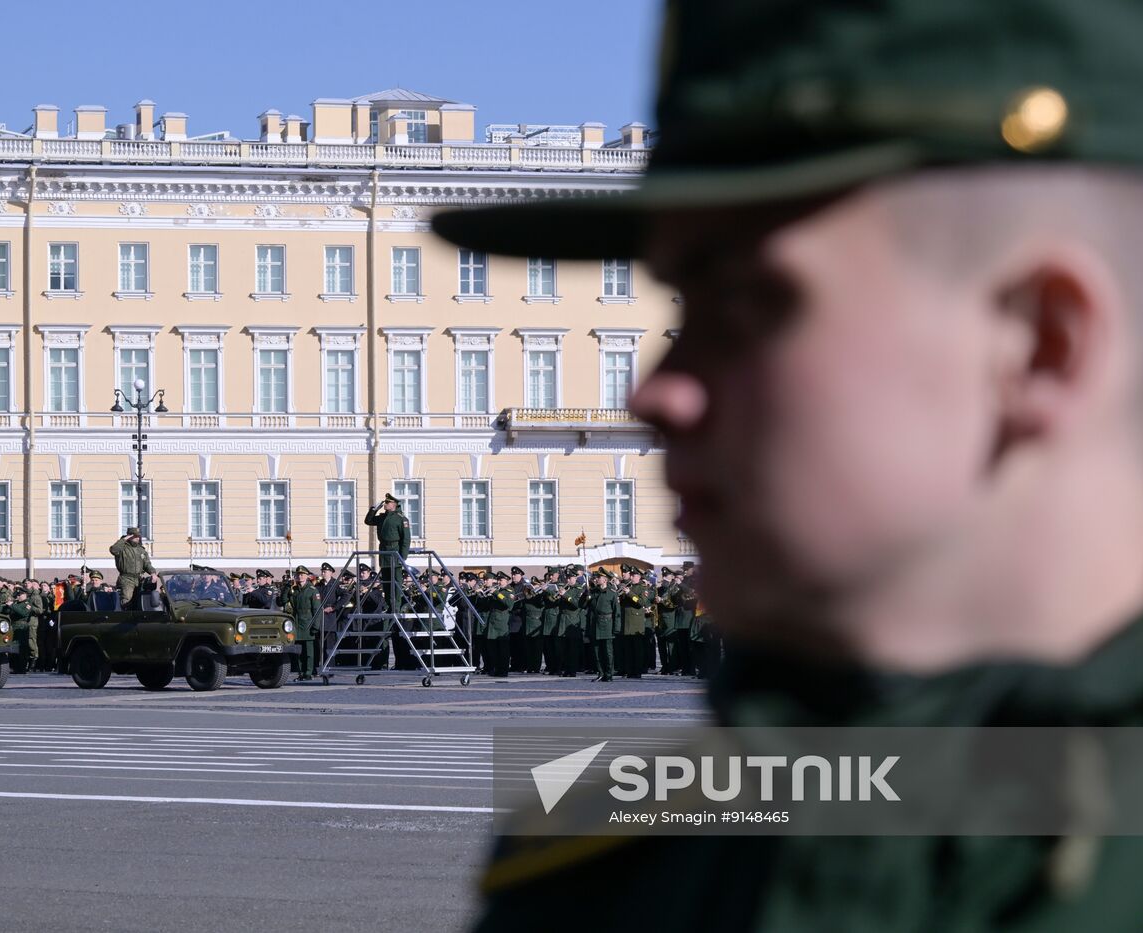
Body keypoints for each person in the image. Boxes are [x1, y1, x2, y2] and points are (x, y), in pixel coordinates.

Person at [437, 0, 1143, 928]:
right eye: (683, 301)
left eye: (750, 302)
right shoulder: (606, 867)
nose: (656, 391)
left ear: (1040, 344)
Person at [363, 493, 411, 613]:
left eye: (387, 502)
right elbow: (368, 521)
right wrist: (374, 509)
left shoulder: (401, 518)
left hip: (394, 550)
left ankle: (396, 606)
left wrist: (402, 556)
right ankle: (389, 605)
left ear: (394, 504)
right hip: (384, 550)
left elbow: (406, 539)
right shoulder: (382, 517)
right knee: (386, 581)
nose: (385, 504)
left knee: (396, 581)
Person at [109, 527, 158, 609]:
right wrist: (124, 539)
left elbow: (147, 564)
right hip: (126, 578)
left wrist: (153, 573)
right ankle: (125, 617)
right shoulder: (122, 548)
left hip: (138, 579)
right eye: (135, 536)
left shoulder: (141, 550)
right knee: (126, 600)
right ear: (129, 536)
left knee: (139, 600)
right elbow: (113, 550)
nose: (138, 538)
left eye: (138, 536)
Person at [287, 566, 321, 681]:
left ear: (307, 576)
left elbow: (317, 610)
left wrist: (316, 626)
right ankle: (301, 672)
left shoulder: (312, 590)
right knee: (299, 651)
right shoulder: (294, 590)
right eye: (298, 575)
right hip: (297, 623)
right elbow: (283, 600)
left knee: (309, 652)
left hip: (308, 623)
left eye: (302, 574)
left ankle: (308, 672)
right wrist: (287, 587)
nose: (300, 577)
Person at [585, 569, 617, 683]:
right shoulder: (593, 592)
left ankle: (609, 674)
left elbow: (616, 613)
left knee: (608, 652)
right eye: (596, 577)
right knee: (597, 651)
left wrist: (616, 628)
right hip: (595, 624)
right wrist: (586, 595)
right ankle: (600, 672)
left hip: (607, 624)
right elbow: (583, 605)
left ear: (605, 580)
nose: (596, 579)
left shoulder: (612, 592)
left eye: (599, 577)